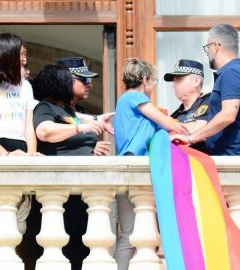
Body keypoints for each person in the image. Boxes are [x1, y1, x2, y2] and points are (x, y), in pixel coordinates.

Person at [113, 58, 186, 270]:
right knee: (136, 235)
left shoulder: (123, 101)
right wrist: (185, 127)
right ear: (144, 80)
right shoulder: (135, 97)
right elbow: (167, 123)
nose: (153, 87)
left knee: (129, 234)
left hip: (128, 167)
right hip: (136, 169)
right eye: (153, 82)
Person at [31, 64, 104, 270]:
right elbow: (44, 131)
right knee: (59, 251)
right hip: (59, 191)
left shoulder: (68, 111)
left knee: (80, 250)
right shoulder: (44, 108)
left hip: (82, 193)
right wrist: (80, 127)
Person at [171, 23, 240, 156]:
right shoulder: (230, 72)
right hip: (227, 156)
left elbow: (228, 115)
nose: (207, 54)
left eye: (207, 48)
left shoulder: (231, 73)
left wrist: (191, 138)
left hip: (233, 157)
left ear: (216, 46)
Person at [57, 56, 112, 156]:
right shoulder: (51, 108)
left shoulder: (78, 111)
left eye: (89, 80)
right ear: (67, 80)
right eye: (84, 79)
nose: (89, 85)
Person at [0, 33, 36, 157]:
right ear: (8, 55)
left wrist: (31, 155)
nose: (25, 59)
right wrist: (6, 155)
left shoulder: (25, 86)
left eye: (26, 54)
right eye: (21, 54)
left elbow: (29, 126)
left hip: (20, 146)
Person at [164, 59, 210, 152]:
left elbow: (201, 128)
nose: (174, 84)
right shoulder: (175, 115)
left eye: (179, 79)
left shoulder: (210, 101)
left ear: (196, 81)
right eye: (173, 80)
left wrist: (170, 125)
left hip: (204, 163)